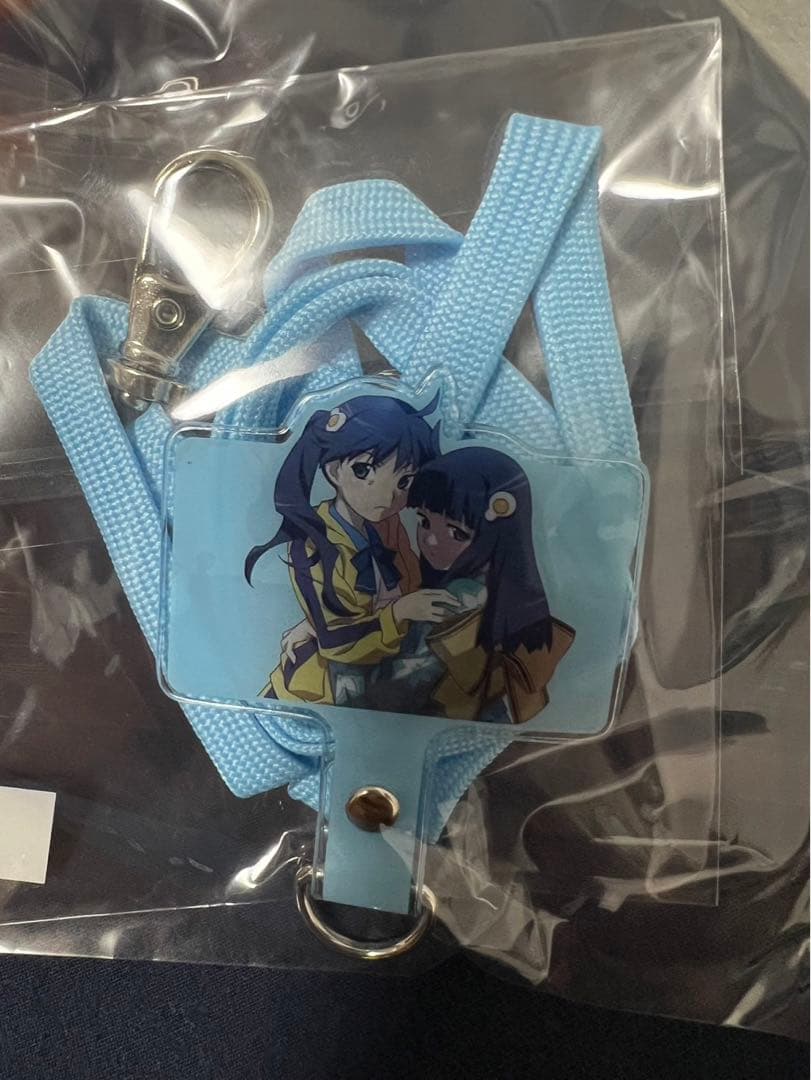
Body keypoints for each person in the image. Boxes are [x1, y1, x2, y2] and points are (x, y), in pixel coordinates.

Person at [245, 393, 462, 704]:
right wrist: (398, 613)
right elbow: (337, 643)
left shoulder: (386, 524)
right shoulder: (311, 544)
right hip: (321, 689)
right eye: (364, 471)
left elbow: (408, 584)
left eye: (404, 482)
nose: (386, 497)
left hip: (385, 668)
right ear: (334, 471)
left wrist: (314, 622)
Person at [364, 445, 575, 723]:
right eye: (424, 521)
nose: (431, 540)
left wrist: (361, 682)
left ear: (497, 533)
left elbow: (405, 681)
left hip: (435, 717)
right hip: (484, 719)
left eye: (456, 532)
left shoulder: (460, 597)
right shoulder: (506, 593)